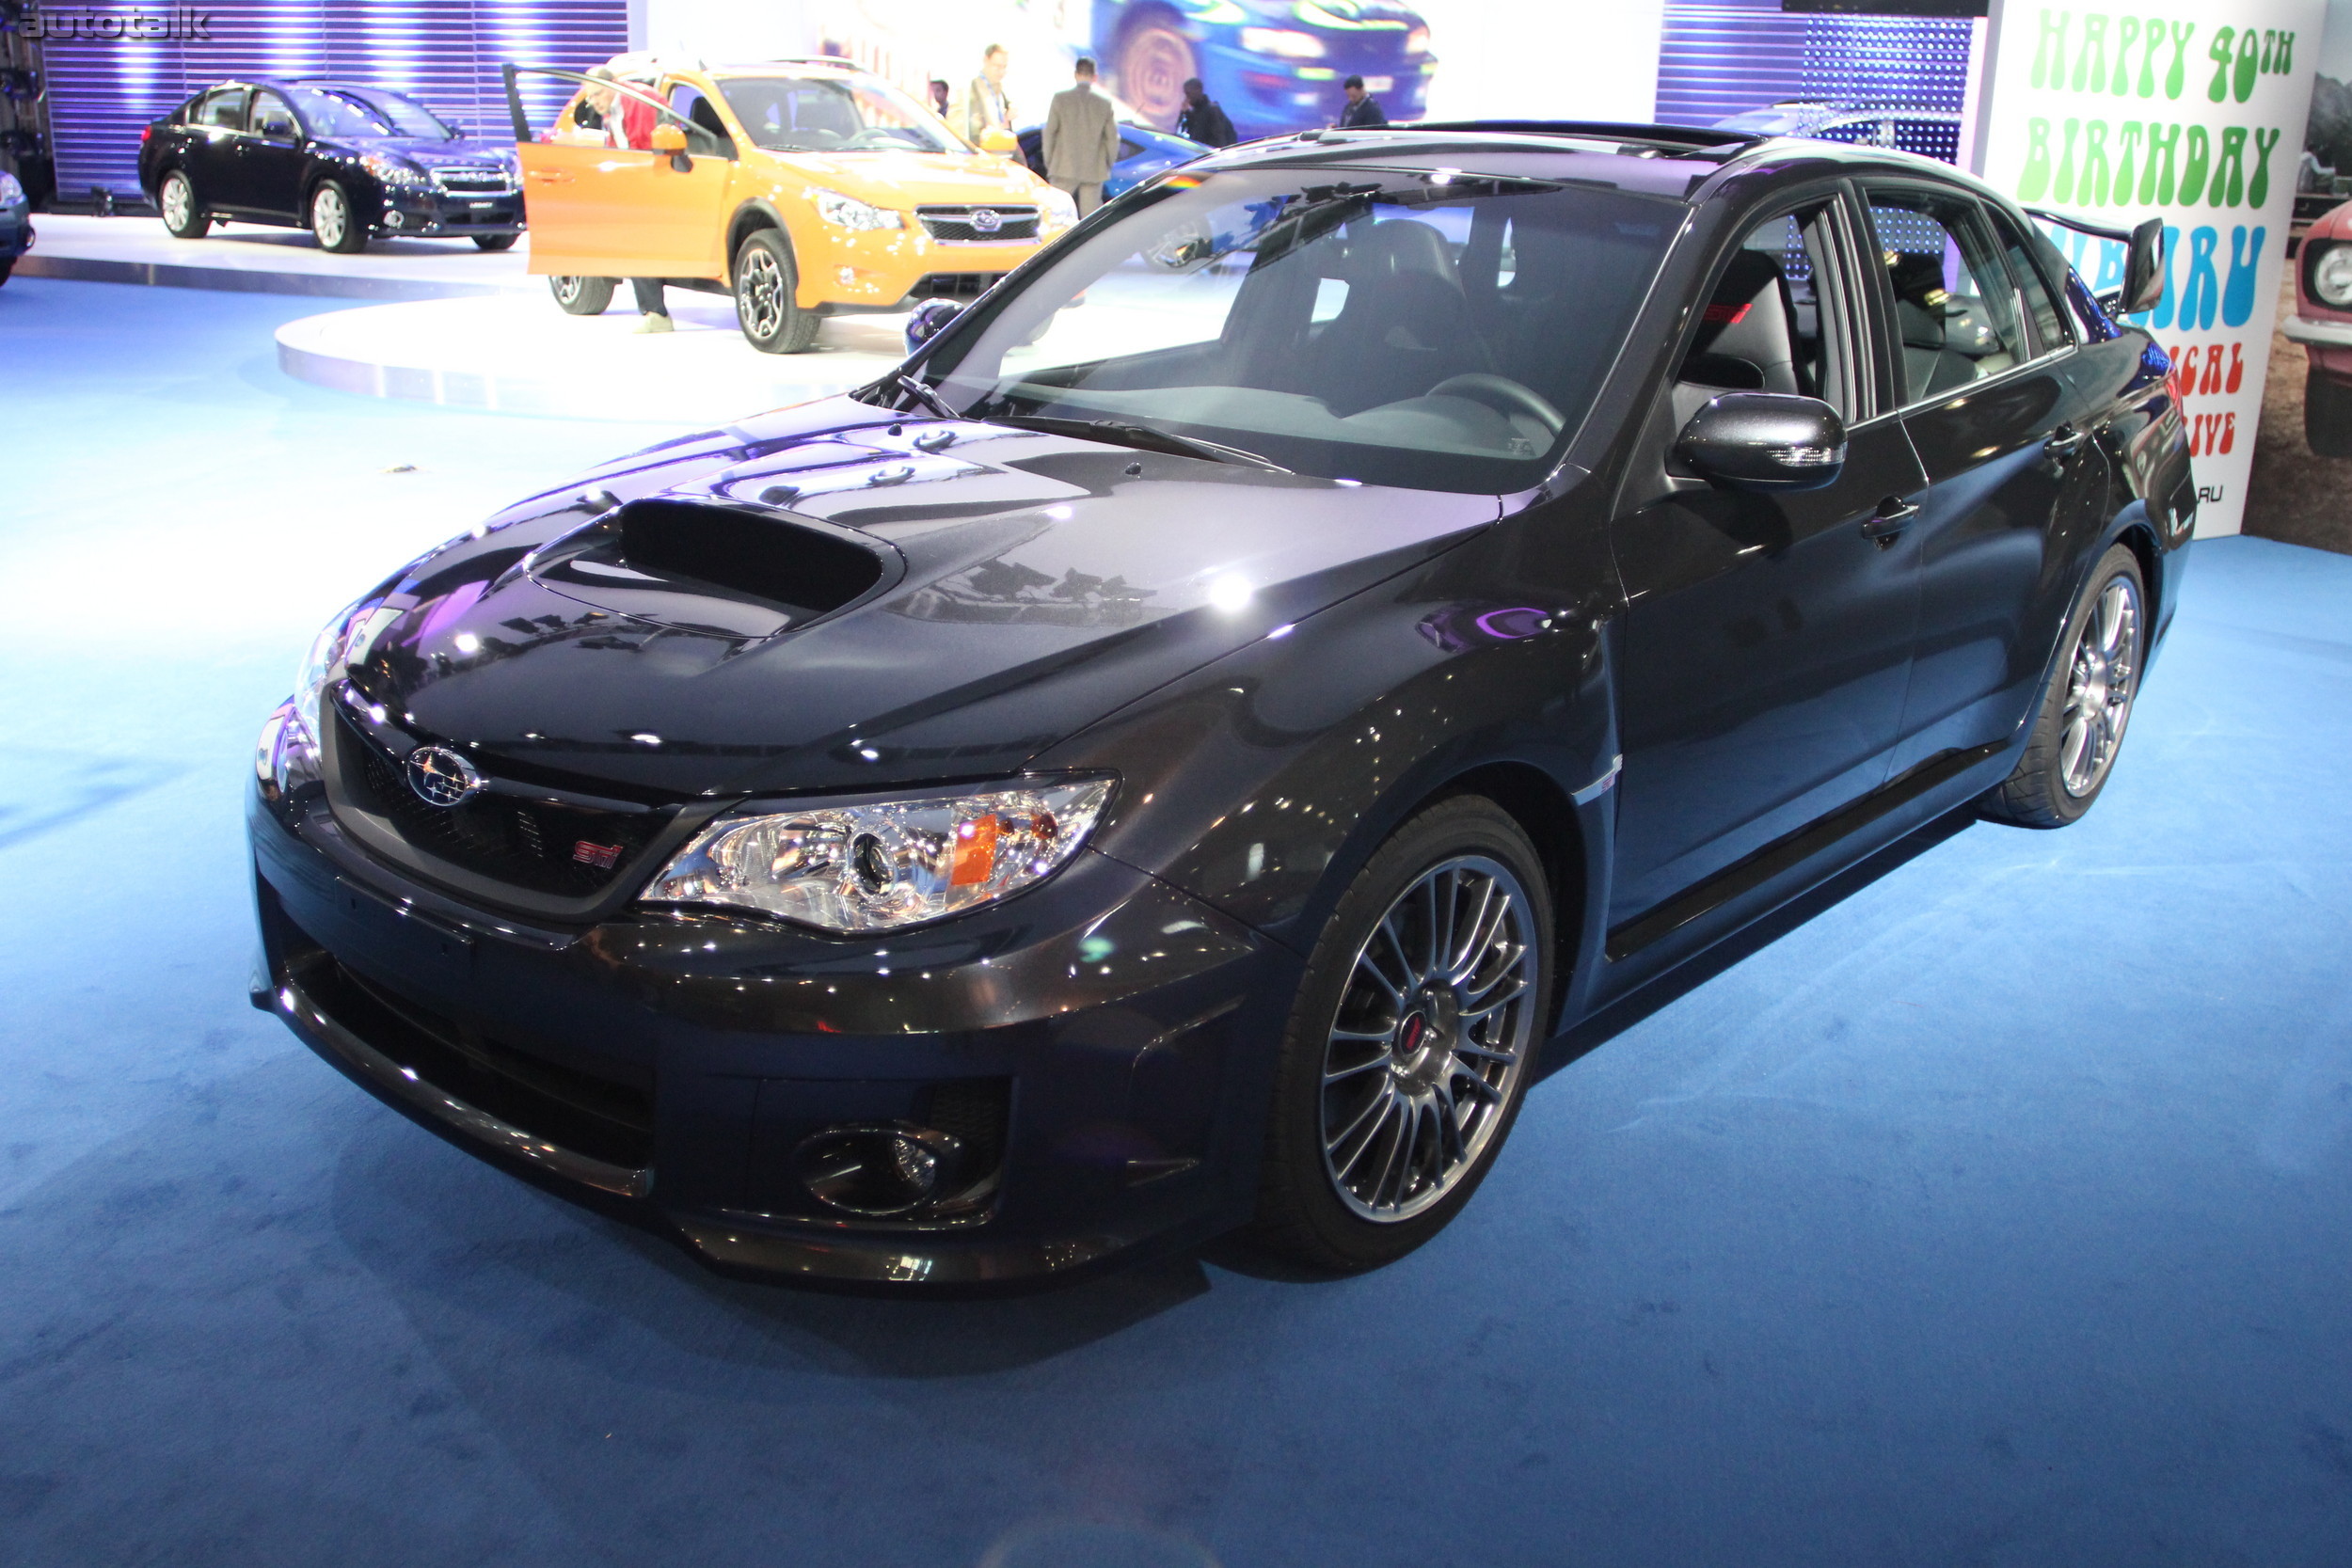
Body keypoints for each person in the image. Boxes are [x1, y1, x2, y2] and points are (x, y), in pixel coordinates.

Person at [1042, 56, 1119, 215]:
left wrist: (1050, 162)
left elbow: (1049, 133)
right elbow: (1112, 139)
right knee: (1089, 220)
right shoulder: (1104, 103)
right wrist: (1107, 164)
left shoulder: (1060, 99)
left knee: (1057, 215)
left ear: (1076, 74)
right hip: (1093, 168)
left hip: (1063, 166)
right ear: (1095, 77)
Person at [965, 44, 1014, 147]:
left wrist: (1010, 109)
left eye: (1004, 67)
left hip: (999, 149)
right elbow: (959, 128)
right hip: (981, 152)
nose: (1001, 72)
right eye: (997, 66)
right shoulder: (971, 89)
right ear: (985, 60)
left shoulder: (999, 90)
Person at [1174, 77, 1235, 148]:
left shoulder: (1212, 111)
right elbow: (1181, 131)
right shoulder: (1194, 113)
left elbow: (1219, 138)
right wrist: (1183, 113)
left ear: (1198, 90)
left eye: (1189, 93)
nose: (1187, 97)